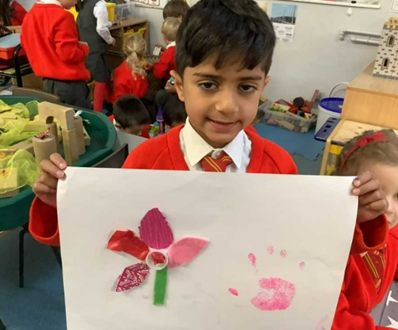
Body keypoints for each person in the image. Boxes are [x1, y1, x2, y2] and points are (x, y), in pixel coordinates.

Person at [29, 14, 388, 325]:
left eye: (246, 87)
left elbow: (302, 248)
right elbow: (102, 240)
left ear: (263, 87)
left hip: (245, 314)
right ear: (179, 85)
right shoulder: (144, 164)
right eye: (208, 84)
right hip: (167, 317)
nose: (227, 105)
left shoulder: (280, 166)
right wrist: (56, 202)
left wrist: (357, 218)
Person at [332, 129, 398, 330]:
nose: (386, 207)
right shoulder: (331, 251)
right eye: (371, 194)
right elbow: (333, 321)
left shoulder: (393, 233)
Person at [21, 0, 91, 108]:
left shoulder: (30, 15)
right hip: (70, 85)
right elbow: (69, 54)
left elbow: (26, 44)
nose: (77, 1)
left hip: (47, 83)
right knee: (80, 122)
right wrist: (84, 48)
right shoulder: (63, 16)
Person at [76, 0, 116, 112]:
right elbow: (101, 28)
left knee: (105, 72)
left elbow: (94, 23)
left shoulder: (83, 5)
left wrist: (110, 23)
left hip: (85, 47)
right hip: (96, 48)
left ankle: (109, 101)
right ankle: (97, 112)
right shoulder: (100, 4)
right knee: (101, 78)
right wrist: (111, 40)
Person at [111, 34, 148, 104]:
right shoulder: (140, 75)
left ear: (125, 50)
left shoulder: (117, 70)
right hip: (133, 109)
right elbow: (142, 93)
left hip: (117, 108)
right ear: (143, 52)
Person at [151, 17, 180, 81]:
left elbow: (158, 74)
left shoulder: (168, 54)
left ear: (164, 37)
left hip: (172, 81)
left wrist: (156, 61)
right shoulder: (182, 46)